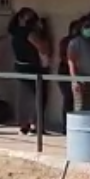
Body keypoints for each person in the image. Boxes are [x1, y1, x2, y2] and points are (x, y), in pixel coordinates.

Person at [9, 7, 49, 135]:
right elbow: (43, 48)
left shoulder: (15, 32)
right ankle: (35, 125)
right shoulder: (29, 33)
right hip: (32, 68)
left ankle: (24, 124)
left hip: (20, 66)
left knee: (24, 97)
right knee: (37, 97)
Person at [56, 19, 82, 131]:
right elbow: (64, 57)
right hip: (65, 71)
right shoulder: (67, 41)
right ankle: (66, 126)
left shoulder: (80, 41)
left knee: (76, 101)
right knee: (68, 99)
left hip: (77, 71)